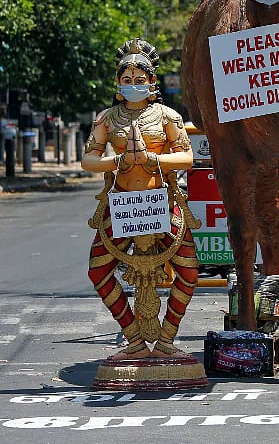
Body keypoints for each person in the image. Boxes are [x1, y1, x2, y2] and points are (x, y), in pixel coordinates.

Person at [82, 38, 199, 360]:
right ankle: (133, 337)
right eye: (127, 80)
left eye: (140, 80)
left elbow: (186, 157)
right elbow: (88, 160)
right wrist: (116, 162)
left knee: (189, 272)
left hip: (161, 201)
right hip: (121, 204)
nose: (134, 85)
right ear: (118, 84)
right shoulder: (107, 118)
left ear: (152, 83)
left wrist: (153, 161)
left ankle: (166, 339)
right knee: (98, 271)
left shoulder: (167, 116)